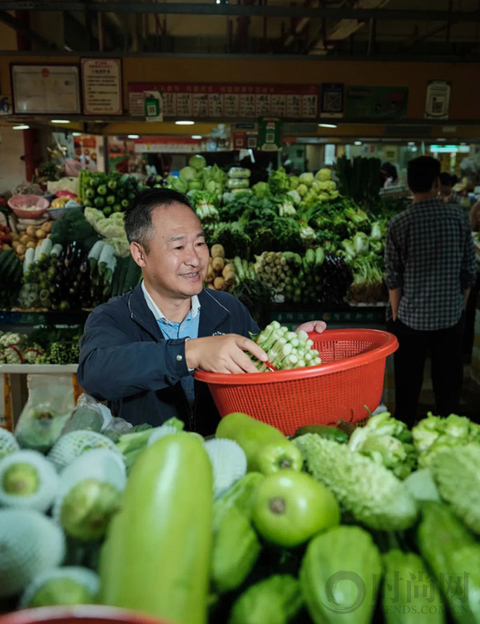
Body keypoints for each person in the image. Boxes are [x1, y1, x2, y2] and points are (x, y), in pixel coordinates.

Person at [78, 189, 326, 435]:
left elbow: (259, 379)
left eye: (199, 243)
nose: (195, 259)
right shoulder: (114, 317)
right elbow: (95, 374)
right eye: (178, 247)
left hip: (226, 459)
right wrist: (188, 354)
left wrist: (283, 350)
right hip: (153, 464)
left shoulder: (229, 309)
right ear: (140, 254)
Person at [385, 156, 477, 426]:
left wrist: (395, 314)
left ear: (409, 185)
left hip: (411, 319)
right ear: (437, 182)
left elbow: (393, 276)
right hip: (450, 317)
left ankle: (405, 433)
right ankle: (446, 432)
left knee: (407, 390)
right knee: (448, 389)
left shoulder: (399, 223)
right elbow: (469, 270)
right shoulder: (458, 217)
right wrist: (460, 306)